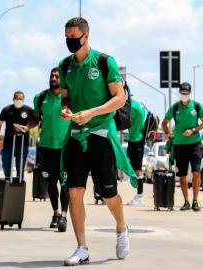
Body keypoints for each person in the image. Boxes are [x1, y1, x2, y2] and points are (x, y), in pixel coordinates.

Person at [59, 17, 137, 266]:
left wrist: (92, 112)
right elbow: (66, 99)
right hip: (75, 134)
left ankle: (122, 227)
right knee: (74, 192)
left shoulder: (104, 62)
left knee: (108, 192)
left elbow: (119, 99)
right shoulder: (64, 66)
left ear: (86, 35)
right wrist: (66, 110)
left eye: (73, 36)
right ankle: (82, 247)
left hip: (101, 132)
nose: (70, 41)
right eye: (66, 37)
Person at [33, 67, 70, 232]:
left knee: (66, 182)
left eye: (57, 76)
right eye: (52, 76)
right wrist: (26, 128)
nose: (54, 78)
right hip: (46, 147)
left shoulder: (69, 98)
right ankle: (55, 213)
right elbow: (35, 120)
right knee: (51, 182)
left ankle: (64, 215)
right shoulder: (40, 98)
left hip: (66, 146)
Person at [162, 82, 203, 212]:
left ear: (190, 93)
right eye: (182, 93)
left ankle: (195, 201)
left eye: (186, 94)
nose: (184, 95)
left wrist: (193, 130)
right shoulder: (175, 107)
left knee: (196, 173)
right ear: (180, 93)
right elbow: (164, 122)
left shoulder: (197, 106)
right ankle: (186, 201)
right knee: (182, 175)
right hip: (179, 145)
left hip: (195, 144)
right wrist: (167, 133)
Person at [0, 91, 37, 181]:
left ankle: (19, 182)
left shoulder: (28, 110)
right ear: (13, 99)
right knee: (6, 164)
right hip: (8, 143)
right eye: (17, 99)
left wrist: (27, 127)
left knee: (20, 166)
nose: (18, 100)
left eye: (20, 99)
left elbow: (36, 121)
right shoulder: (6, 110)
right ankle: (7, 180)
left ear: (23, 99)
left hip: (22, 144)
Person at [126, 99, 148, 205]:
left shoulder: (131, 107)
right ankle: (139, 195)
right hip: (137, 137)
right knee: (136, 169)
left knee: (138, 169)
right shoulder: (137, 104)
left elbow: (126, 121)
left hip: (136, 139)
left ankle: (140, 196)